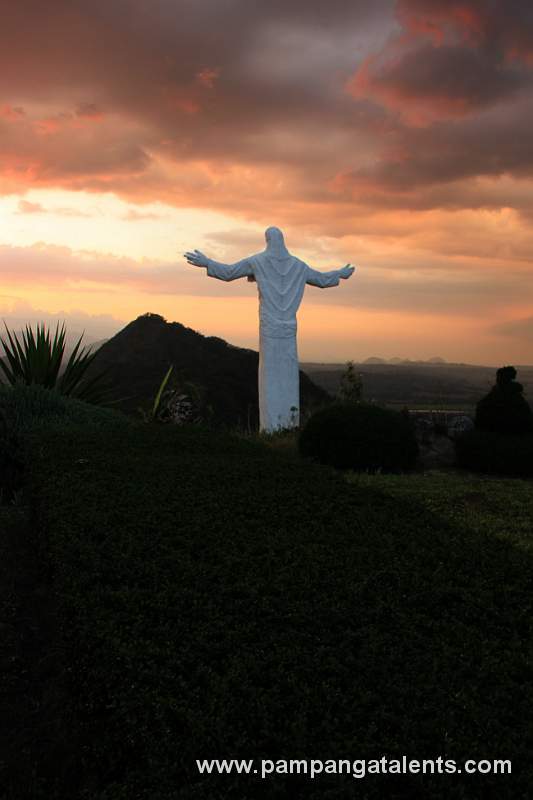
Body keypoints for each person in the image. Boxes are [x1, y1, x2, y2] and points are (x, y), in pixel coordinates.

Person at [185, 226, 355, 432]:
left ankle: (272, 430)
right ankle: (288, 427)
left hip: (270, 329)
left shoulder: (257, 261)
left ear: (267, 241)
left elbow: (228, 273)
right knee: (288, 376)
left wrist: (207, 263)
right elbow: (322, 279)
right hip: (289, 330)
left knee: (270, 379)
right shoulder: (298, 266)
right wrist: (340, 273)